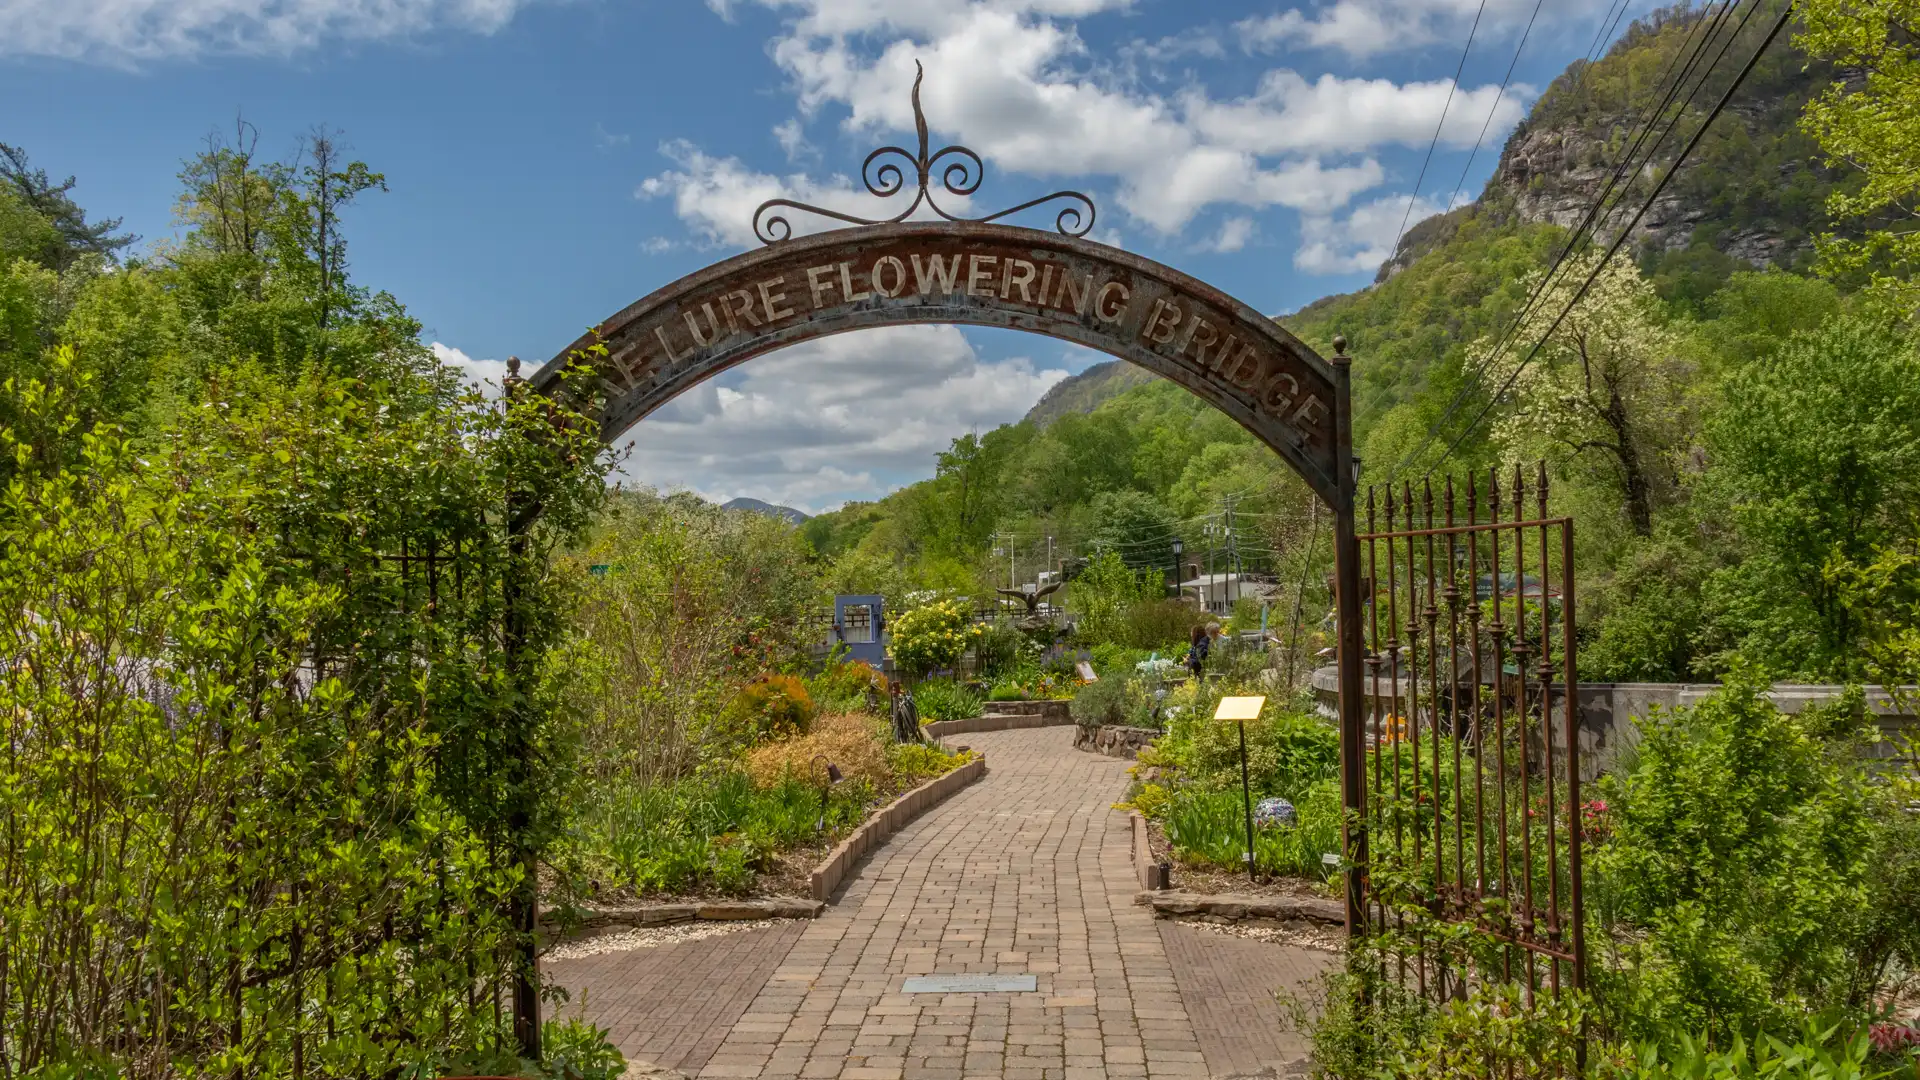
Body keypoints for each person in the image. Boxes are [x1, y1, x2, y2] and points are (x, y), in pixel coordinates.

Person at [889, 680, 924, 744]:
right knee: (898, 721)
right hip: (897, 725)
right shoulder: (895, 698)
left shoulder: (902, 699)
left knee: (907, 720)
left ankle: (908, 737)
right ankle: (899, 738)